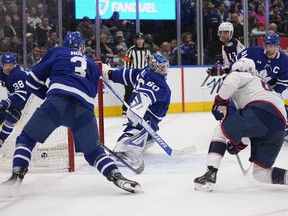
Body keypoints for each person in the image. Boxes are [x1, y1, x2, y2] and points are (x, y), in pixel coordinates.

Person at [0, 31, 141, 194]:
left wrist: (48, 94)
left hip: (56, 103)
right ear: (81, 47)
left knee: (26, 139)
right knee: (94, 152)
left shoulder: (57, 51)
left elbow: (31, 81)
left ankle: (16, 177)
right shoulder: (92, 64)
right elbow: (92, 94)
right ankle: (117, 176)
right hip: (84, 110)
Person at [194, 58, 288, 191]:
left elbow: (232, 80)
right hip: (278, 126)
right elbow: (251, 126)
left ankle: (211, 172)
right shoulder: (259, 85)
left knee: (220, 131)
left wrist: (219, 101)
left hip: (260, 110)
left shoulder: (240, 75)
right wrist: (240, 144)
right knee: (261, 173)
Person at [102, 53, 171, 170]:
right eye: (161, 67)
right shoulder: (159, 83)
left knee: (148, 132)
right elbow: (145, 93)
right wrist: (137, 109)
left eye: (165, 66)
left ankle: (146, 137)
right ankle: (122, 149)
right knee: (137, 128)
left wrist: (108, 73)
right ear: (154, 66)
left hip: (141, 111)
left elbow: (126, 74)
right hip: (143, 113)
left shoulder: (144, 71)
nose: (164, 69)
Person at [0, 52, 30, 147]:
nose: (8, 67)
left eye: (11, 65)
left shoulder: (17, 74)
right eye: (6, 65)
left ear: (15, 64)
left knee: (12, 117)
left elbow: (21, 96)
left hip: (29, 97)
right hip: (17, 96)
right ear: (2, 65)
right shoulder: (2, 71)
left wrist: (7, 102)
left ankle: (1, 140)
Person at [122, 32, 151, 116]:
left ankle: (141, 109)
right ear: (135, 40)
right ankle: (125, 109)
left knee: (143, 93)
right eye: (138, 39)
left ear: (143, 40)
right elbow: (126, 62)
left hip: (143, 75)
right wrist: (127, 73)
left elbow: (149, 63)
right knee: (129, 92)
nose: (139, 41)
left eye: (141, 39)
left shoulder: (147, 50)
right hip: (132, 74)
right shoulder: (131, 50)